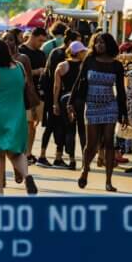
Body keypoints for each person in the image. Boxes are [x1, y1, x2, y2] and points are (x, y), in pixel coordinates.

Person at [0, 39, 37, 195]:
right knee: (16, 152)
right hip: (17, 115)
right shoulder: (19, 67)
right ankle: (27, 175)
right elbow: (23, 86)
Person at [73, 32, 127, 192]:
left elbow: (121, 91)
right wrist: (71, 102)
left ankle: (108, 181)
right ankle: (85, 170)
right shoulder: (89, 61)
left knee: (109, 143)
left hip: (110, 106)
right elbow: (78, 81)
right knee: (91, 145)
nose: (99, 45)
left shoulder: (117, 65)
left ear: (109, 44)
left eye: (102, 43)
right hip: (91, 106)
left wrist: (123, 112)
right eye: (97, 43)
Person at [38, 28, 79, 166]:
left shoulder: (56, 52)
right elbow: (54, 78)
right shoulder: (62, 56)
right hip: (57, 95)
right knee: (55, 126)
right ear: (69, 42)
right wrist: (55, 100)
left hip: (54, 95)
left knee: (55, 126)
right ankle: (48, 156)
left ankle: (55, 156)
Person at [52, 40, 88, 170]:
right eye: (83, 51)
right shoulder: (84, 65)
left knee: (69, 130)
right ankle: (85, 160)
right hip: (81, 100)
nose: (84, 53)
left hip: (65, 99)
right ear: (78, 52)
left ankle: (72, 160)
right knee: (83, 131)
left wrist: (55, 103)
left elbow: (56, 87)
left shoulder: (62, 66)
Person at [19, 28, 48, 164]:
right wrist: (36, 71)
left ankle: (28, 152)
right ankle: (22, 152)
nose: (41, 43)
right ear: (32, 36)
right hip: (23, 93)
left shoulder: (41, 54)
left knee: (33, 125)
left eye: (43, 41)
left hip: (37, 93)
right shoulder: (21, 51)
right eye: (40, 40)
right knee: (26, 123)